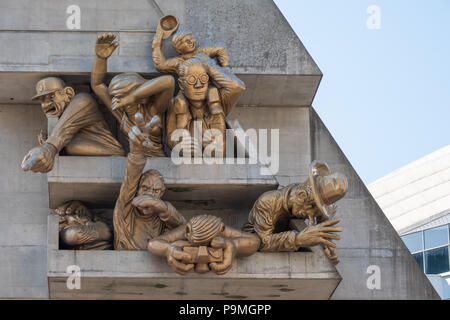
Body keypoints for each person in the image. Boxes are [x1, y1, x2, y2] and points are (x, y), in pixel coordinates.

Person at [243, 161, 348, 264]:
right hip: (249, 249)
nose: (311, 217)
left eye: (318, 210)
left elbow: (322, 223)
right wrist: (298, 239)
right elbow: (262, 242)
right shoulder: (268, 201)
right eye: (312, 207)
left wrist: (328, 247)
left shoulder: (306, 201)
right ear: (301, 195)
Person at [91, 33, 175, 157]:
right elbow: (97, 85)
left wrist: (133, 97)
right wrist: (100, 59)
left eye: (124, 96)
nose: (121, 102)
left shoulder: (153, 111)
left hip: (157, 161)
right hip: (134, 162)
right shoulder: (121, 114)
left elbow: (169, 81)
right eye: (117, 97)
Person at [113, 113, 186, 250]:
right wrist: (137, 154)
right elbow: (130, 181)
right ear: (137, 188)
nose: (149, 194)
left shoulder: (162, 219)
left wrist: (161, 207)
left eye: (155, 191)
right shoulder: (125, 211)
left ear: (162, 193)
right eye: (145, 188)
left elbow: (186, 229)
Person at [21, 77, 125, 173]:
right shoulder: (60, 117)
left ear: (68, 93)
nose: (46, 104)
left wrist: (49, 147)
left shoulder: (82, 100)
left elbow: (65, 129)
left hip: (110, 148)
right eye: (42, 100)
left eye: (51, 96)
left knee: (72, 146)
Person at [148, 214, 260, 275]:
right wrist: (169, 250)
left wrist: (232, 245)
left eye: (210, 249)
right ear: (187, 231)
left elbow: (255, 241)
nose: (203, 255)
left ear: (221, 230)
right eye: (195, 248)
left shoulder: (222, 230)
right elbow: (153, 243)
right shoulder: (185, 231)